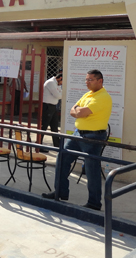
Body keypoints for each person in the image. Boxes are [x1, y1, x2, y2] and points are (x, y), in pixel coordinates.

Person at [42, 69, 112, 210]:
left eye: (90, 80)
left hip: (93, 137)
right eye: (86, 79)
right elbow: (73, 110)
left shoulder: (102, 97)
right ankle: (60, 192)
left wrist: (78, 111)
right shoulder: (88, 94)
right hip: (77, 134)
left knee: (91, 169)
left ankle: (94, 203)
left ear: (100, 81)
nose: (87, 82)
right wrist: (78, 111)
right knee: (62, 159)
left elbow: (80, 112)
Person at [40, 72, 63, 150]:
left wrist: (60, 92)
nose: (62, 84)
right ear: (60, 78)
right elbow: (58, 95)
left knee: (54, 126)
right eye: (62, 82)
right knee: (44, 126)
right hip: (47, 106)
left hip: (53, 106)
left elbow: (60, 93)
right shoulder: (51, 82)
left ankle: (57, 145)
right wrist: (60, 93)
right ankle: (39, 145)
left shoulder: (56, 83)